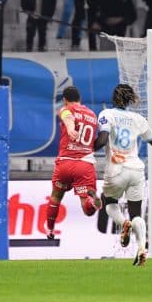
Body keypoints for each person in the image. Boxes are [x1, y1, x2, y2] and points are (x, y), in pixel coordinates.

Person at [94, 84, 152, 266]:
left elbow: (102, 140)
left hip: (116, 168)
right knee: (137, 213)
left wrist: (87, 148)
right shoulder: (138, 118)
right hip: (136, 169)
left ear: (114, 98)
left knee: (110, 203)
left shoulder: (106, 114)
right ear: (130, 100)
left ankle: (123, 223)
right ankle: (142, 247)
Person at [46, 86, 102, 240]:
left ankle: (50, 230)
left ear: (65, 99)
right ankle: (91, 200)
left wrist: (70, 129)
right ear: (80, 98)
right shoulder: (92, 115)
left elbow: (68, 117)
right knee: (88, 210)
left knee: (56, 197)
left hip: (65, 163)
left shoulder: (66, 109)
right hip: (85, 164)